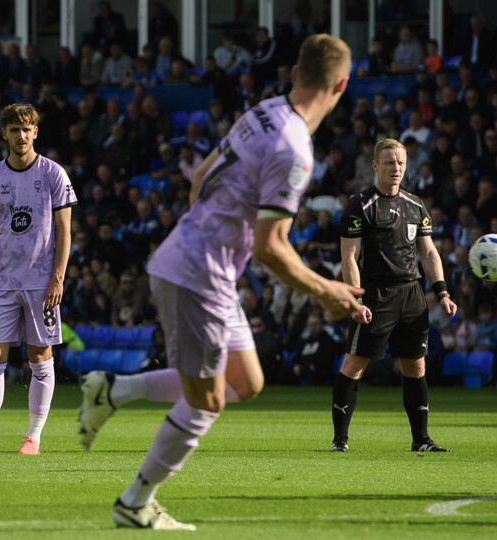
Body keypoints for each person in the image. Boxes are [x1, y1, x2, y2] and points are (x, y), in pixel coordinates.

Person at [77, 35, 363, 530]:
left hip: (199, 265)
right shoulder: (295, 149)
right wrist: (326, 289)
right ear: (341, 84)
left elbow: (200, 178)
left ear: (294, 73)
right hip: (199, 275)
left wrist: (210, 238)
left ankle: (113, 391)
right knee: (207, 399)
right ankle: (136, 501)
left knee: (245, 382)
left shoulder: (263, 111)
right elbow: (271, 246)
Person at [0, 103, 77, 457]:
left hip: (41, 282)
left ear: (36, 132)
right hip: (3, 281)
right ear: (4, 134)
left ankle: (33, 437)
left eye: (27, 129)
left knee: (40, 353)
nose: (21, 135)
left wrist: (58, 278)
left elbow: (65, 231)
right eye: (14, 129)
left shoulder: (54, 174)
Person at [333, 138, 457, 454]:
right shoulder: (360, 204)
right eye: (389, 162)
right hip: (375, 295)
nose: (396, 168)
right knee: (354, 365)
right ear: (376, 165)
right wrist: (355, 300)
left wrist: (441, 292)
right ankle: (340, 439)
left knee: (415, 367)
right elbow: (349, 257)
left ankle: (421, 440)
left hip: (411, 295)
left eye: (400, 162)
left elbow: (428, 253)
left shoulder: (416, 205)